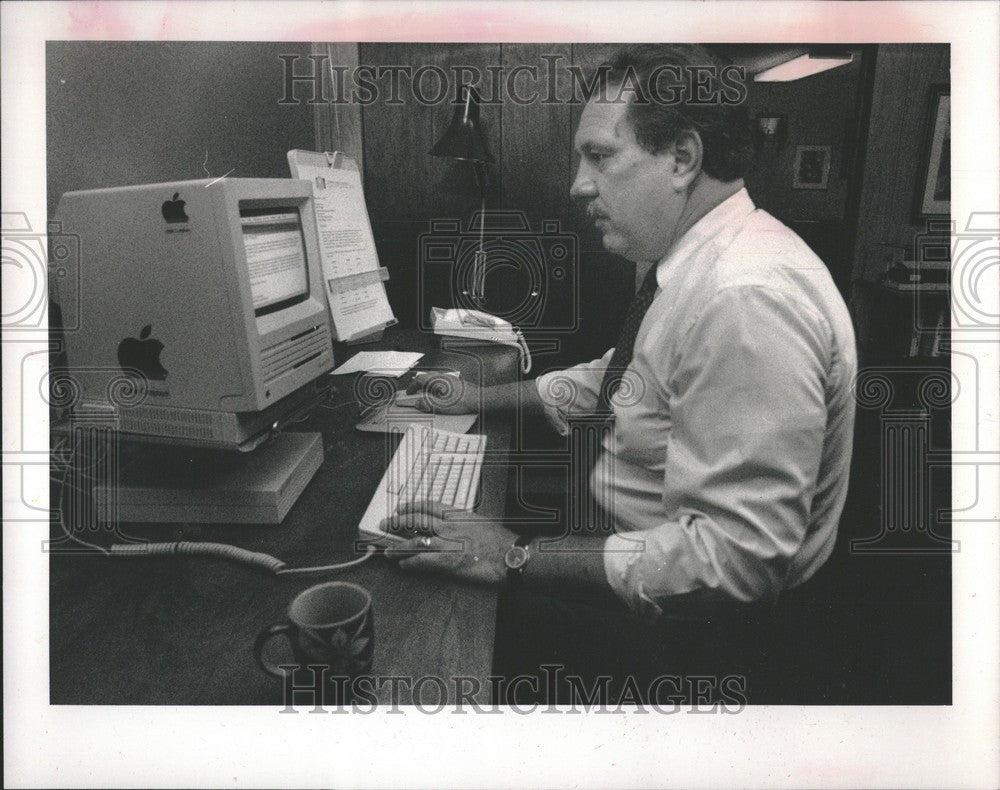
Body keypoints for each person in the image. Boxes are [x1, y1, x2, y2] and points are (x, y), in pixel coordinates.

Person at [383, 45, 857, 701]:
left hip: (688, 639)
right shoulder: (703, 262)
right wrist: (478, 393)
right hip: (625, 560)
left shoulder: (744, 297)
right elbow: (622, 377)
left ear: (683, 159)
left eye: (600, 156)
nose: (577, 183)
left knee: (420, 650)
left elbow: (733, 561)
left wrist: (513, 555)